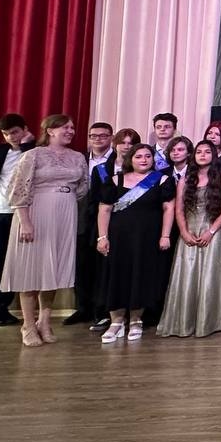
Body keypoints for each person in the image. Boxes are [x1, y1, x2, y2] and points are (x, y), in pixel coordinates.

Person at [0, 115, 88, 347]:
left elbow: (82, 188)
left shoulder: (78, 157)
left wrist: (64, 199)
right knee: (31, 269)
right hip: (36, 214)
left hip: (65, 215)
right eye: (65, 127)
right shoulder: (33, 155)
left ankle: (45, 322)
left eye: (72, 127)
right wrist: (25, 222)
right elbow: (18, 189)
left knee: (54, 270)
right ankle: (28, 325)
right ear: (50, 130)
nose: (71, 131)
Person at [95, 143, 175, 343]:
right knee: (117, 275)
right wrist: (102, 237)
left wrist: (165, 235)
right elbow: (104, 209)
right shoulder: (115, 180)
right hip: (119, 237)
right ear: (130, 159)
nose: (143, 160)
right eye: (138, 156)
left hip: (147, 237)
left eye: (147, 156)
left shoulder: (163, 180)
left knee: (142, 274)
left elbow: (168, 209)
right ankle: (116, 321)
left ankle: (136, 320)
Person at [158, 141, 221, 338]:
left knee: (212, 275)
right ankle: (186, 321)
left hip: (214, 231)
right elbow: (178, 210)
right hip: (190, 230)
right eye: (199, 152)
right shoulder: (185, 180)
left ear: (213, 155)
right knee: (187, 274)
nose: (202, 155)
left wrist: (211, 231)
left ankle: (212, 321)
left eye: (207, 152)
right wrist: (184, 232)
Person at [0, 115, 40, 329]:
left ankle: (3, 310)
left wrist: (27, 145)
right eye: (6, 134)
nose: (11, 137)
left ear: (25, 130)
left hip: (20, 214)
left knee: (14, 264)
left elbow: (34, 171)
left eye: (15, 132)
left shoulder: (34, 151)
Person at [73, 127, 138, 330]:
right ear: (115, 144)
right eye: (122, 142)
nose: (126, 146)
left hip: (131, 227)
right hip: (103, 225)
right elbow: (94, 201)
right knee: (102, 271)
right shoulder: (101, 170)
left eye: (131, 143)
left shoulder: (142, 169)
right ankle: (101, 313)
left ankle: (130, 314)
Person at [66, 120, 117, 329]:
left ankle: (101, 310)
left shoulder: (117, 160)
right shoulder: (79, 158)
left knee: (101, 265)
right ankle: (82, 307)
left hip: (106, 216)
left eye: (103, 136)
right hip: (79, 215)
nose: (98, 139)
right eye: (93, 136)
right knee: (81, 263)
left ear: (111, 138)